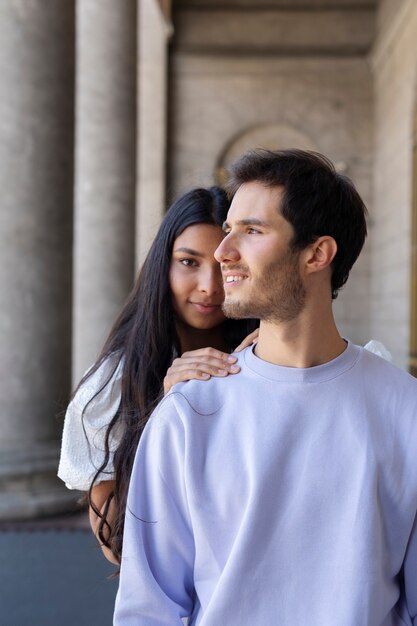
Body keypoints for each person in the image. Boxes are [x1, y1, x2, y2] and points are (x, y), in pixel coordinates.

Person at [114, 149, 417, 625]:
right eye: (228, 229)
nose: (223, 251)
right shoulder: (187, 413)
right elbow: (148, 609)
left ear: (317, 253)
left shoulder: (406, 411)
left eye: (251, 231)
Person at [58, 186, 258, 564]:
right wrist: (164, 413)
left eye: (224, 265)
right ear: (162, 265)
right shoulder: (115, 382)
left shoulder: (268, 356)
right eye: (188, 262)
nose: (209, 286)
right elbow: (116, 546)